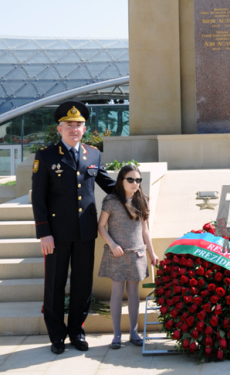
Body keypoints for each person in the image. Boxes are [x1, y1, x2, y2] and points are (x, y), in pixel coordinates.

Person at [31, 101, 115, 355]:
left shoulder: (93, 154)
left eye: (78, 125)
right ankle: (57, 335)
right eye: (69, 125)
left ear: (84, 128)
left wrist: (134, 195)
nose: (74, 129)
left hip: (85, 231)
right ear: (59, 128)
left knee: (82, 284)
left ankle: (76, 331)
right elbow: (38, 198)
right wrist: (44, 231)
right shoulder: (45, 156)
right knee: (55, 284)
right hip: (55, 234)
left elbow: (108, 184)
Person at [98, 164, 159, 348]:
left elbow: (145, 231)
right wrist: (112, 244)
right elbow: (100, 226)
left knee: (133, 293)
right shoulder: (111, 201)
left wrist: (152, 253)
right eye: (130, 179)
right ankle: (117, 335)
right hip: (117, 254)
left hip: (136, 254)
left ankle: (134, 333)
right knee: (116, 293)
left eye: (138, 180)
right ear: (121, 180)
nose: (135, 183)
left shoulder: (143, 201)